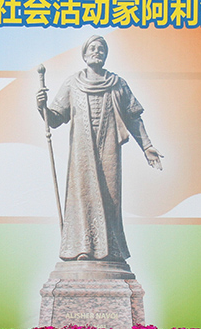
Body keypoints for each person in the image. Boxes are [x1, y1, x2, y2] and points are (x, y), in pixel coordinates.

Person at [36, 35, 163, 262]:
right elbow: (55, 119)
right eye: (93, 48)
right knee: (81, 197)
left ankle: (111, 250)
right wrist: (42, 107)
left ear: (106, 55)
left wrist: (147, 145)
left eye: (101, 48)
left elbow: (134, 117)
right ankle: (80, 248)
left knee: (109, 198)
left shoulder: (118, 83)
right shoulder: (72, 83)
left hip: (109, 148)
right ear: (84, 54)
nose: (97, 51)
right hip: (81, 152)